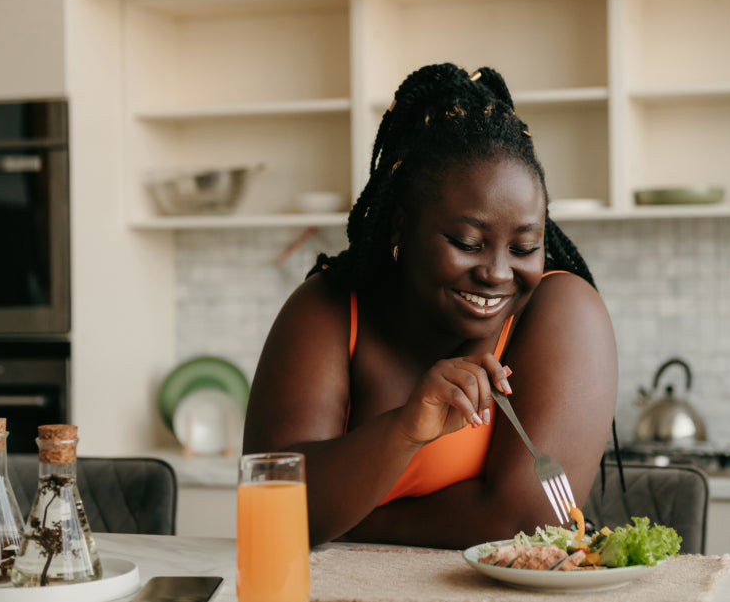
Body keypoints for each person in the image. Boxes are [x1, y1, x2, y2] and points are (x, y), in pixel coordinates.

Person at [243, 63, 618, 549]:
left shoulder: (563, 311)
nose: (498, 273)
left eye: (524, 247)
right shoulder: (330, 307)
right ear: (400, 228)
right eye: (467, 241)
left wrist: (356, 522)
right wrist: (402, 431)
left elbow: (524, 523)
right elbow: (271, 508)